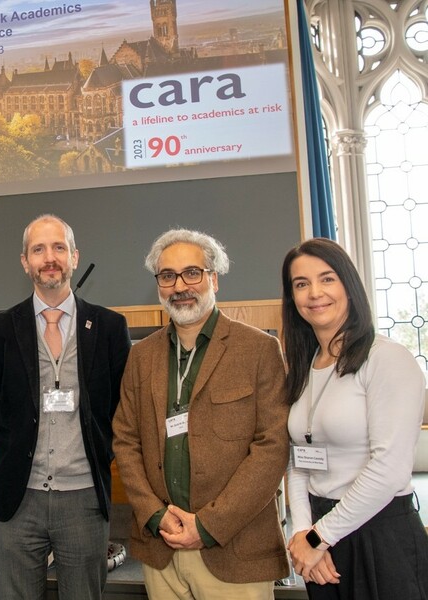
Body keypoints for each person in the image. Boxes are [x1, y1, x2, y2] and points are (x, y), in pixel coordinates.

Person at [112, 228, 290, 600]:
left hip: (233, 550)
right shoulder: (141, 356)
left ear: (214, 279)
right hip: (161, 549)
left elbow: (272, 447)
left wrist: (208, 525)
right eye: (167, 276)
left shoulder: (259, 350)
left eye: (192, 273)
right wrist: (155, 514)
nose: (180, 285)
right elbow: (125, 440)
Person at [0, 214, 131, 600]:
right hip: (17, 500)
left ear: (75, 257)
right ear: (25, 261)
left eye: (59, 247)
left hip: (84, 500)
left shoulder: (109, 327)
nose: (50, 257)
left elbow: (120, 409)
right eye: (38, 249)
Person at [282, 237, 428, 599]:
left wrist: (319, 536)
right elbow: (298, 460)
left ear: (349, 284)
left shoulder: (387, 359)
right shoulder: (304, 367)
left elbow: (389, 469)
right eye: (301, 284)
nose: (315, 293)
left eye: (327, 278)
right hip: (322, 542)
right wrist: (303, 534)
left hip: (380, 535)